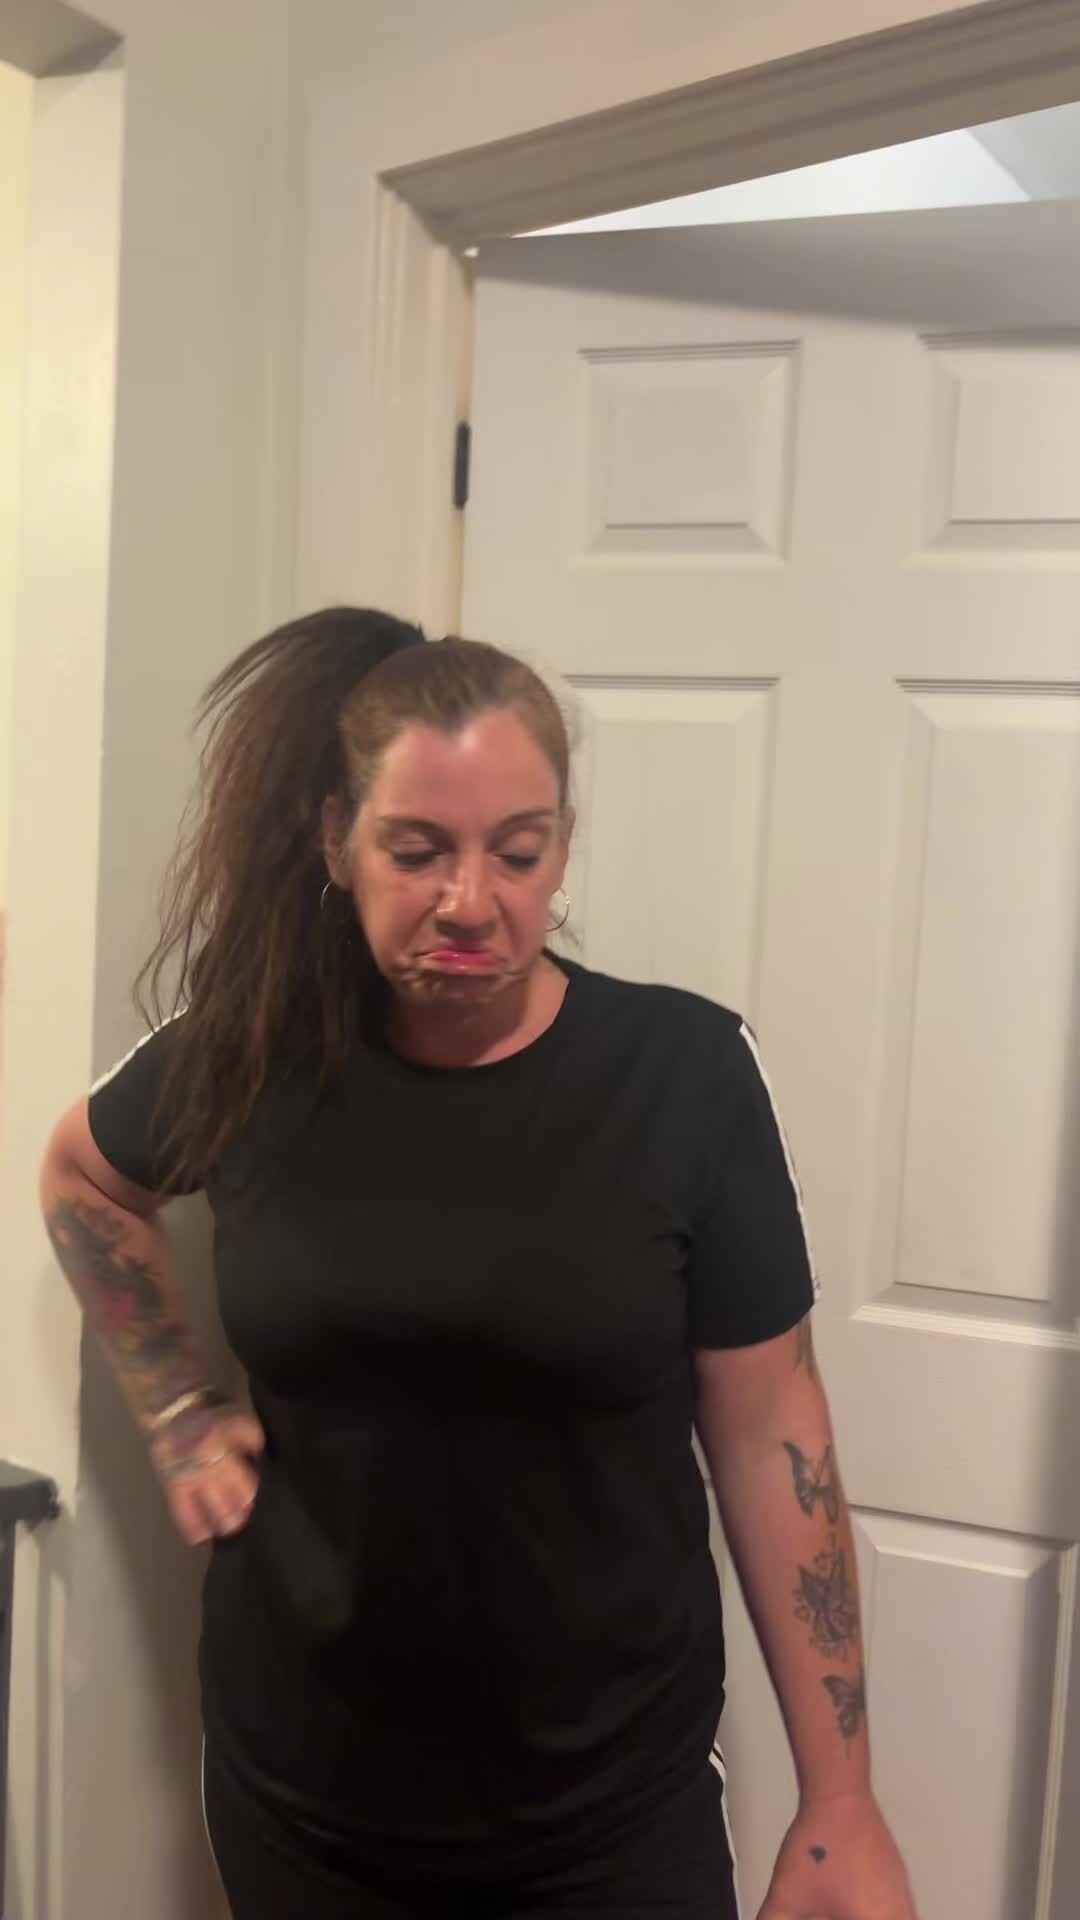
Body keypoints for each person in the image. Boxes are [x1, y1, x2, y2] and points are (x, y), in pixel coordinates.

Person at [40, 609, 917, 1920]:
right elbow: (84, 1178)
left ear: (561, 847)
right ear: (336, 842)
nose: (470, 901)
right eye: (416, 851)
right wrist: (173, 1409)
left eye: (518, 850)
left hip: (610, 1818)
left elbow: (770, 1429)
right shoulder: (255, 1055)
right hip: (304, 1802)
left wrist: (840, 1800)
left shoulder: (683, 1077)